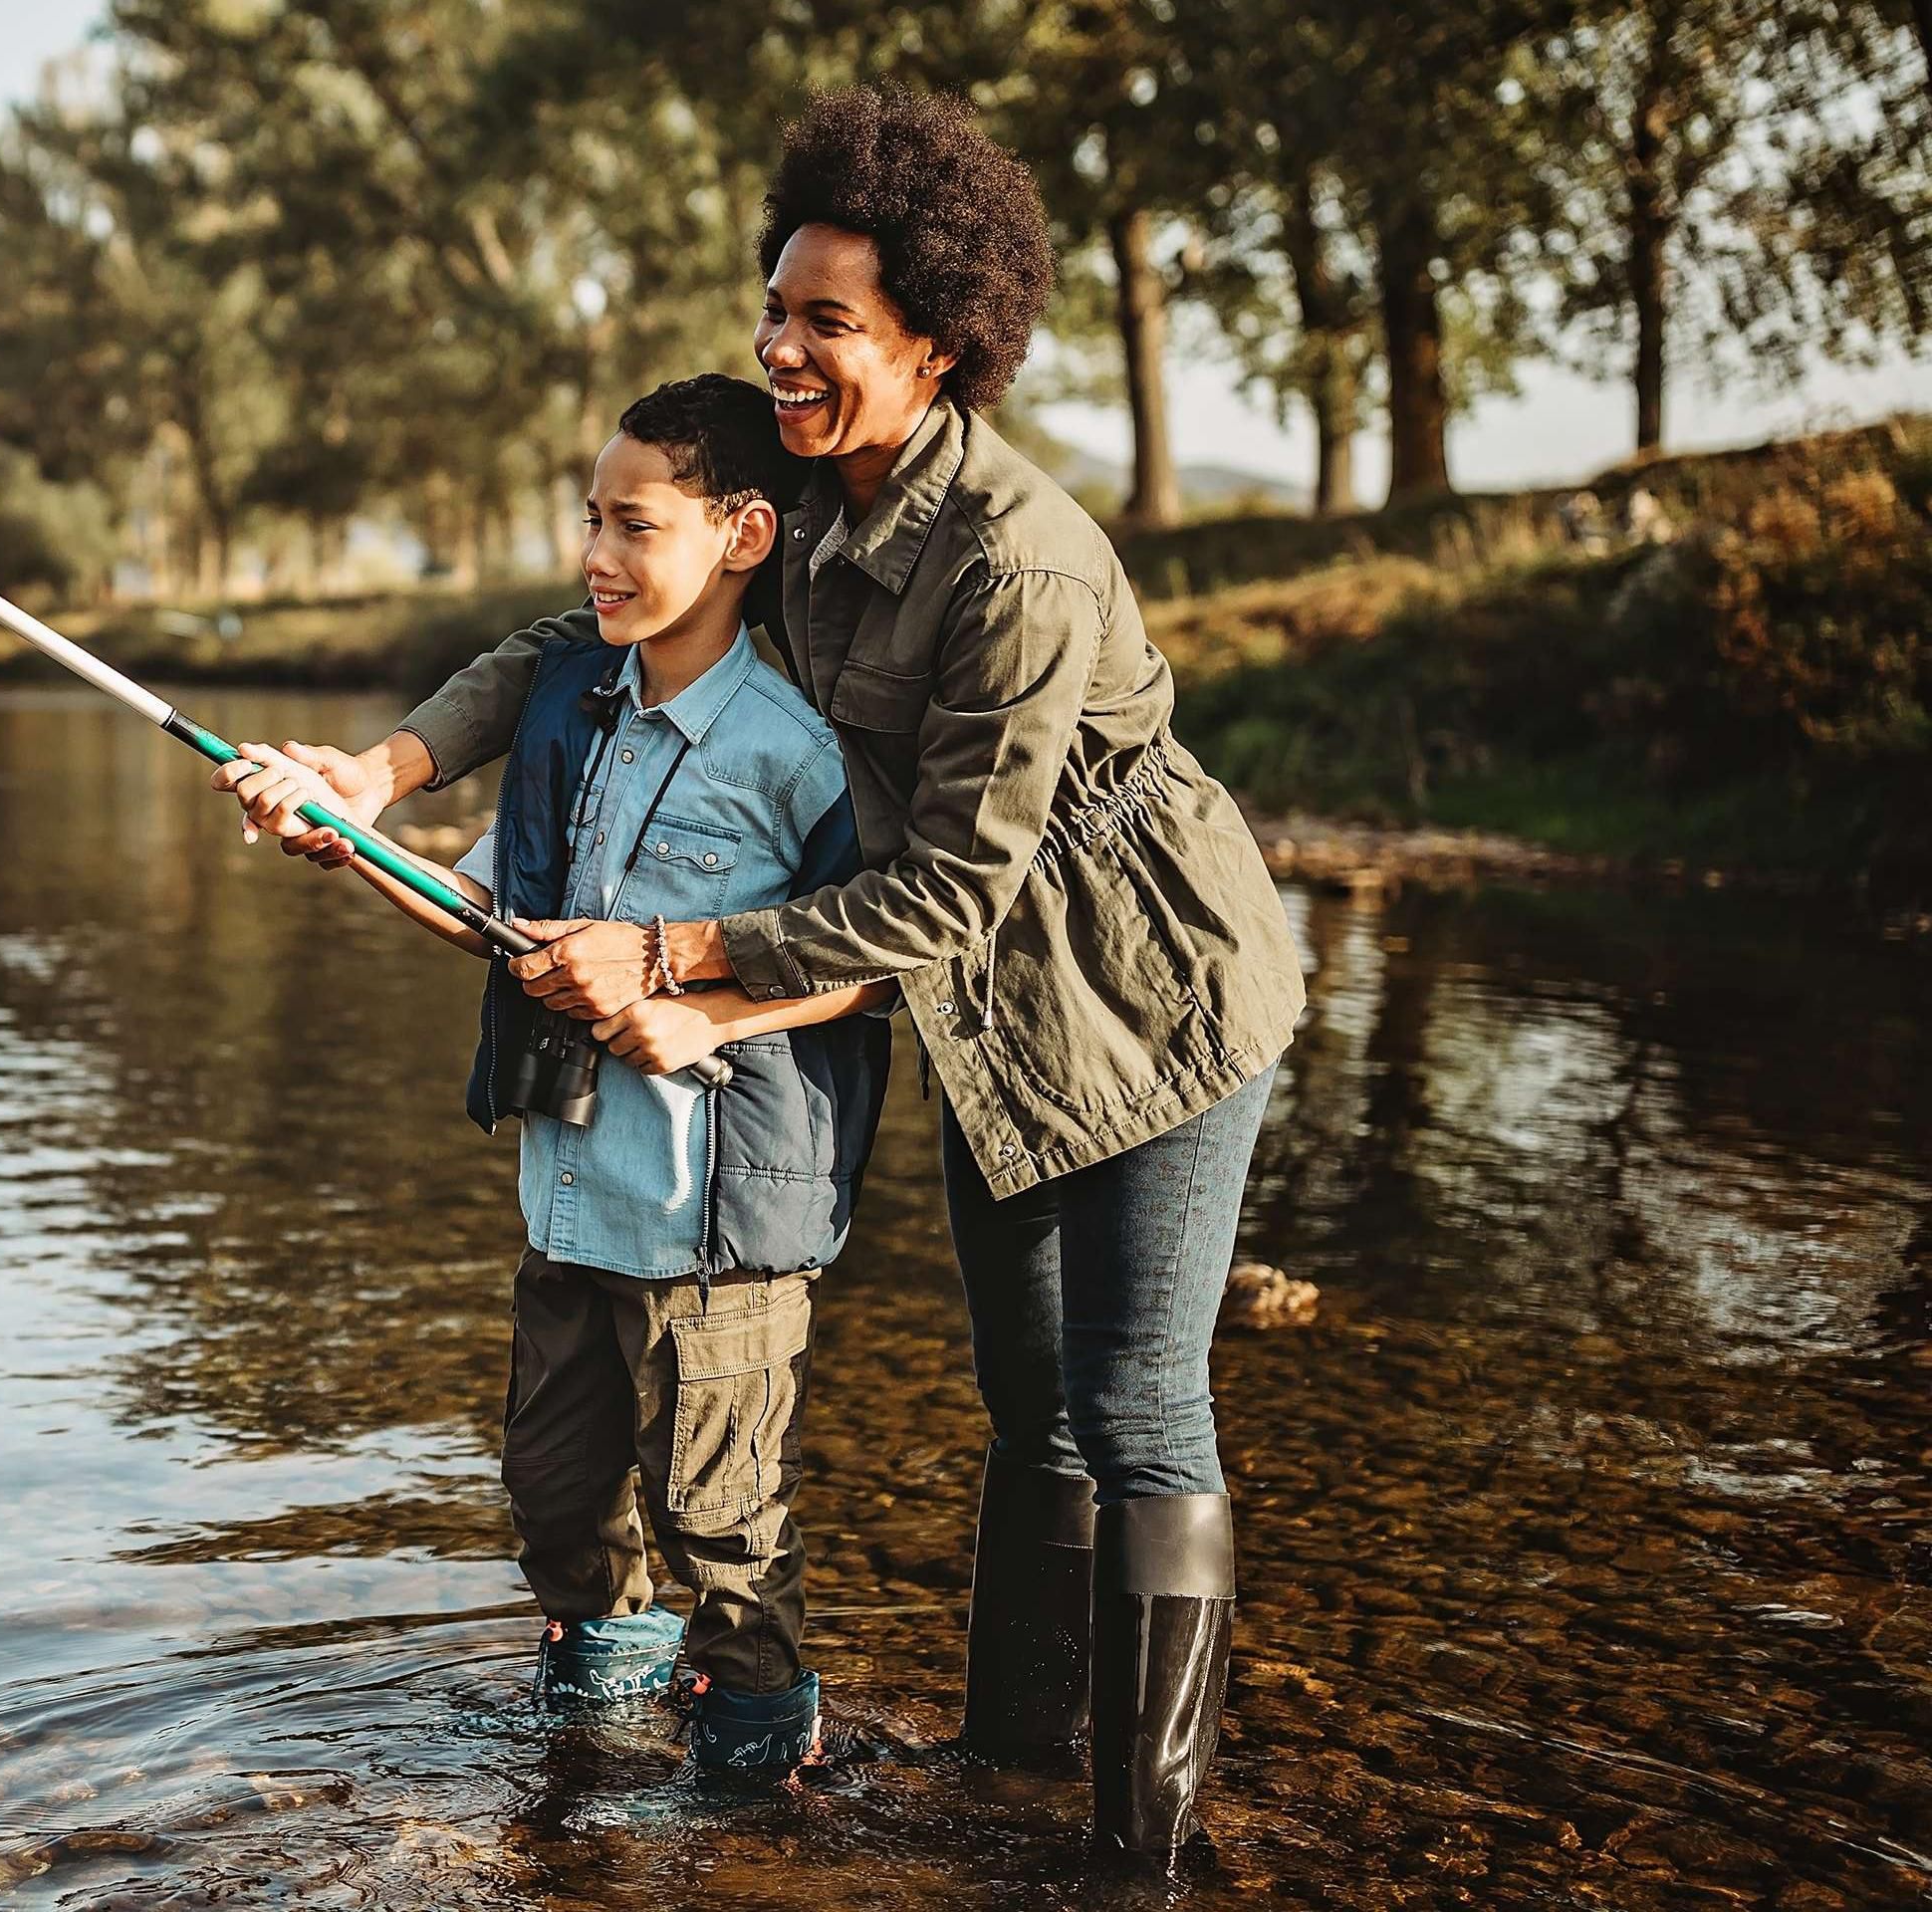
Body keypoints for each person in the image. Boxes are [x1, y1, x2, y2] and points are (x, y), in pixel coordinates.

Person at [220, 92, 1307, 1869]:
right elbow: (570, 645)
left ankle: (1141, 1847)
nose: (781, 349)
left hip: (1152, 991)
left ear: (942, 347)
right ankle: (1011, 1774)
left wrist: (679, 961)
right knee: (1024, 1402)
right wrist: (382, 778)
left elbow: (955, 880)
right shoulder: (786, 494)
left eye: (831, 324)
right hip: (968, 1007)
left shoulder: (1018, 559)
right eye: (778, 308)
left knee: (1134, 1402)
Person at [224, 375, 893, 1791]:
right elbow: (486, 915)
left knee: (724, 1531)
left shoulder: (798, 750)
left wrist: (706, 1016)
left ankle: (763, 1788)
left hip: (719, 1233)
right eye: (589, 519)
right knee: (558, 1511)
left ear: (743, 534)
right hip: (571, 1211)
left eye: (633, 525)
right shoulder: (566, 712)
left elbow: (883, 966)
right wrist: (348, 839)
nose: (596, 554)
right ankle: (599, 1768)